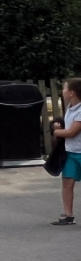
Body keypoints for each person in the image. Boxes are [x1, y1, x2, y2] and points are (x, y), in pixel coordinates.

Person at [51, 78, 81, 225]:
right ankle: (68, 216)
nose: (62, 91)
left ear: (71, 93)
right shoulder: (70, 107)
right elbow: (68, 124)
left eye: (64, 88)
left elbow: (71, 133)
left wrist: (56, 131)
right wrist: (59, 122)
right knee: (67, 182)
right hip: (70, 152)